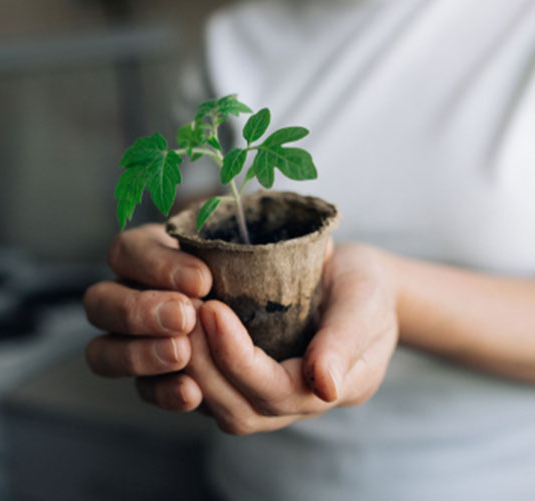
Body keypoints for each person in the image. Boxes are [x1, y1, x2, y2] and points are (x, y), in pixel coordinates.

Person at [83, 0, 535, 499]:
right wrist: (164, 284)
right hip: (254, 484)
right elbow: (206, 224)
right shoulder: (231, 38)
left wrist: (393, 292)